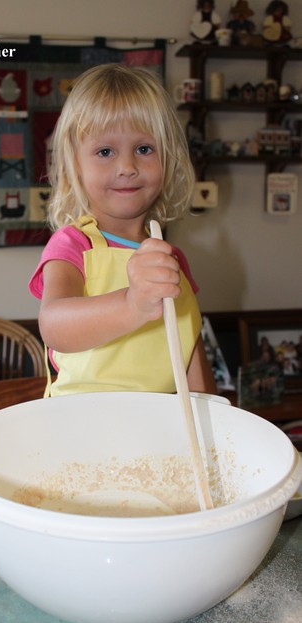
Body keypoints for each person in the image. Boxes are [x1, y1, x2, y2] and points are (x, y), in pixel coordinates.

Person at [29, 64, 217, 397]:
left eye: (144, 149)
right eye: (105, 152)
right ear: (75, 167)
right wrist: (133, 305)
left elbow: (189, 348)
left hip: (157, 430)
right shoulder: (72, 245)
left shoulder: (170, 257)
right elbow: (55, 325)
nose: (127, 168)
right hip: (79, 428)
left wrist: (214, 416)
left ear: (168, 158)